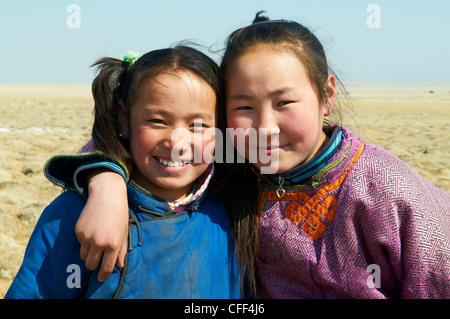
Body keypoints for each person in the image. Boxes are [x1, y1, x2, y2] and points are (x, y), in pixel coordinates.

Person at [32, 12, 450, 298]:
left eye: (284, 102)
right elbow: (138, 143)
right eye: (244, 107)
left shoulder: (390, 191)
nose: (264, 127)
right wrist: (106, 182)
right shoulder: (239, 157)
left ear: (326, 95)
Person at [5, 46, 241, 299]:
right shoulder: (74, 216)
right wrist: (106, 185)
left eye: (198, 125)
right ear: (124, 119)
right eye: (158, 121)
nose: (177, 142)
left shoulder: (235, 206)